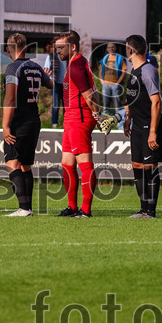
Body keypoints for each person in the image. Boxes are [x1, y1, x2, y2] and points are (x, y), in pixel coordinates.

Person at [2, 33, 52, 217]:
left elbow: (10, 98)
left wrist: (5, 125)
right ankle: (28, 208)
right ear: (25, 48)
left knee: (12, 162)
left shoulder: (13, 68)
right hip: (34, 120)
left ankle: (23, 208)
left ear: (9, 49)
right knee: (25, 165)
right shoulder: (36, 67)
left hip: (19, 121)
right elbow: (50, 84)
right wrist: (46, 76)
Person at [55, 30, 101, 218]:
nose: (58, 51)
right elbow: (94, 91)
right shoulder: (77, 63)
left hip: (79, 119)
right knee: (67, 164)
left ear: (73, 47)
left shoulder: (76, 66)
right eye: (56, 48)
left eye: (61, 47)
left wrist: (97, 114)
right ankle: (72, 207)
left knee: (85, 164)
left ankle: (86, 210)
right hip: (71, 118)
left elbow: (89, 96)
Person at [124, 35, 162, 218]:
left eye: (126, 47)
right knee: (137, 165)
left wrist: (153, 132)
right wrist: (128, 119)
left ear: (131, 50)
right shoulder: (133, 70)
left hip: (150, 126)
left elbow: (156, 102)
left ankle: (151, 211)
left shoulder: (148, 70)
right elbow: (132, 98)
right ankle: (143, 210)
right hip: (137, 125)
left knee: (150, 166)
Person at [99, 43, 127, 128]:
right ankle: (105, 124)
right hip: (106, 85)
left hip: (115, 85)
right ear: (107, 49)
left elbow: (124, 71)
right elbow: (100, 71)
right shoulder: (105, 59)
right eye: (109, 47)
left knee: (117, 106)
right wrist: (102, 81)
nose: (111, 49)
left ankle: (120, 125)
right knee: (105, 107)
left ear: (115, 48)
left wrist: (118, 83)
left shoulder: (120, 58)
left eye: (112, 47)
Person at [44, 40, 66, 127]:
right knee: (56, 104)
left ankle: (66, 123)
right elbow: (46, 69)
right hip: (55, 84)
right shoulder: (51, 56)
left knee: (66, 105)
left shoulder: (66, 56)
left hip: (65, 84)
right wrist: (50, 81)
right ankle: (54, 124)